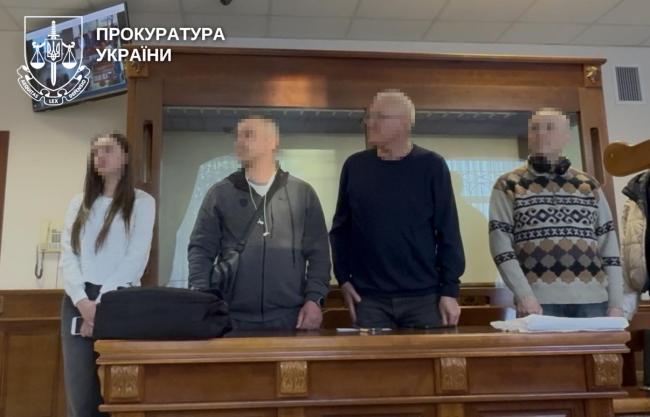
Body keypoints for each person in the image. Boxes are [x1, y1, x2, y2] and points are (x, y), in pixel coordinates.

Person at [330, 89, 465, 329]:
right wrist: (343, 279)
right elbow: (341, 230)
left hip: (424, 298)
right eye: (369, 116)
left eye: (379, 117)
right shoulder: (355, 166)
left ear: (404, 122)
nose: (369, 123)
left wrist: (450, 290)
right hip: (369, 298)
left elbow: (448, 232)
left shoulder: (432, 166)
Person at [188, 116, 331, 331]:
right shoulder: (220, 193)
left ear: (272, 141)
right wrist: (201, 296)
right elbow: (201, 249)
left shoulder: (302, 193)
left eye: (248, 135)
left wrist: (315, 299)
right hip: (231, 317)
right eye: (237, 136)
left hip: (290, 317)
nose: (240, 142)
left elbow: (319, 253)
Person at [489, 108, 623, 318]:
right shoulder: (509, 184)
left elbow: (609, 247)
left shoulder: (589, 185)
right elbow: (501, 246)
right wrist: (524, 295)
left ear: (566, 136)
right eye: (535, 129)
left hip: (594, 302)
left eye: (550, 128)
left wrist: (616, 303)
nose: (541, 134)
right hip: (537, 303)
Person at [59, 133, 155, 417]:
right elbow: (68, 254)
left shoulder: (142, 202)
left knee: (121, 388)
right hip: (77, 302)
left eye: (108, 150)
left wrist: (101, 304)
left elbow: (136, 258)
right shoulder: (79, 203)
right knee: (81, 394)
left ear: (125, 157)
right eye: (95, 152)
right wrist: (82, 302)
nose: (99, 156)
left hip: (120, 300)